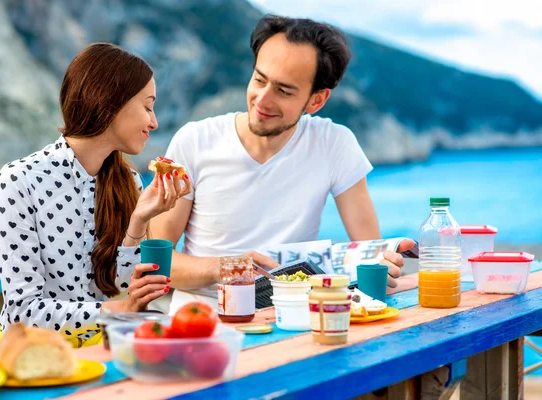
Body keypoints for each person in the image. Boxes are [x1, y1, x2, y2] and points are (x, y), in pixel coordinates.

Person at [151, 15, 415, 313]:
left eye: (283, 91)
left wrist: (384, 263)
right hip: (204, 322)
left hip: (293, 319)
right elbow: (157, 263)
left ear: (316, 101)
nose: (262, 100)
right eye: (259, 80)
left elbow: (369, 250)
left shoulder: (334, 143)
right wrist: (231, 268)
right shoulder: (194, 141)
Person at [0, 43, 191, 358]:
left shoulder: (129, 181)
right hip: (29, 358)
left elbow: (118, 291)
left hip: (105, 353)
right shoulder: (19, 181)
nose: (154, 123)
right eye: (148, 106)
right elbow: (22, 312)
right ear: (111, 103)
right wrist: (119, 309)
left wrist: (139, 221)